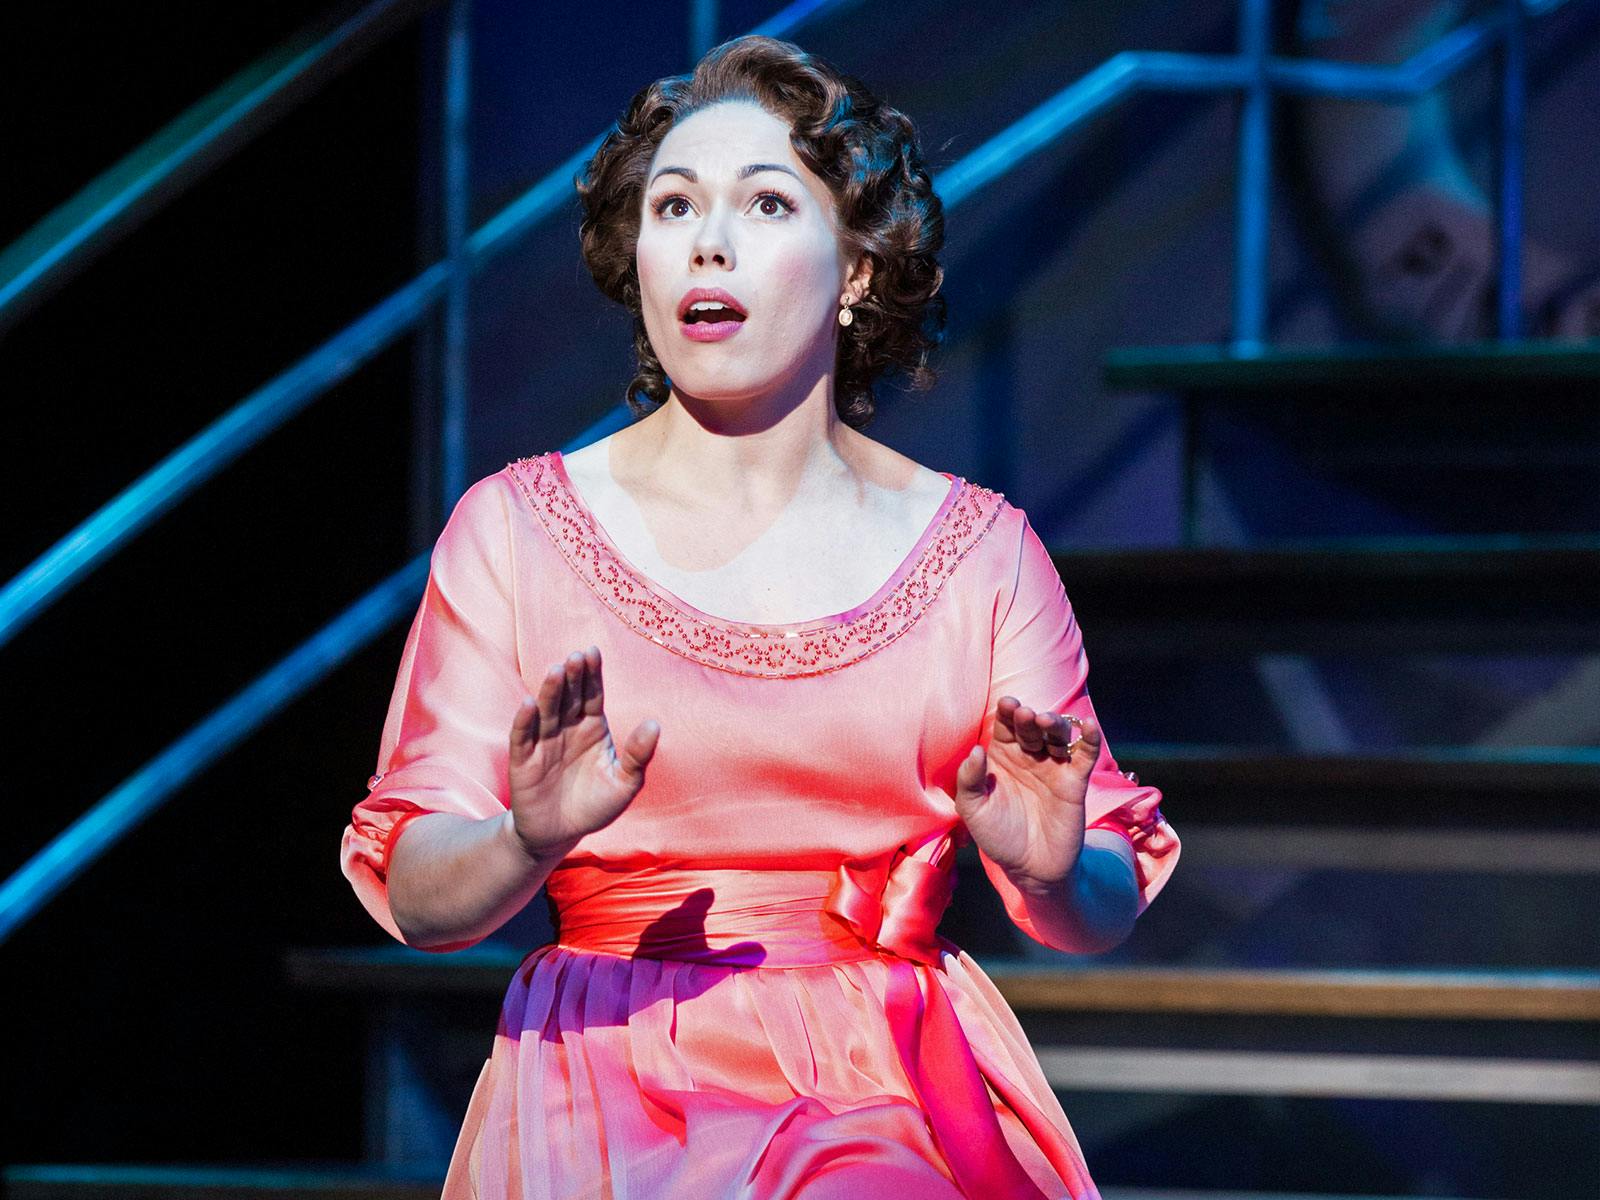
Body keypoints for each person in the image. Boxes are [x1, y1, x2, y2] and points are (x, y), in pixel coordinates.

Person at [340, 33, 1180, 1200]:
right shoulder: (516, 531)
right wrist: (521, 842)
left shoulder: (981, 554)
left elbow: (1096, 906)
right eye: (674, 206)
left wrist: (1047, 874)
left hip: (886, 1087)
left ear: (857, 272)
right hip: (610, 1087)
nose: (708, 241)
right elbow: (415, 893)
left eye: (766, 203)